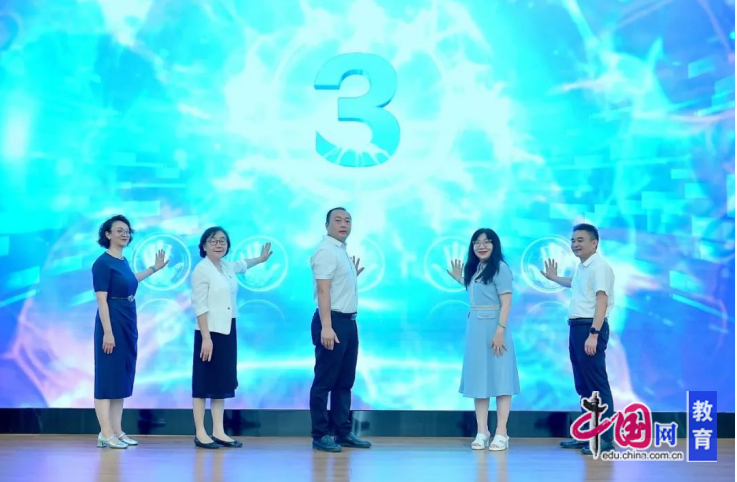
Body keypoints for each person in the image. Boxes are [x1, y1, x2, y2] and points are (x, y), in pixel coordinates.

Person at [190, 226, 272, 449]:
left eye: (222, 241)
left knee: (221, 383)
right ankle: (200, 432)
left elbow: (242, 264)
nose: (219, 244)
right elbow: (199, 306)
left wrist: (261, 259)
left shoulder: (226, 266)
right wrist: (206, 338)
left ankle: (218, 431)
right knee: (203, 383)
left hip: (227, 330)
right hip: (209, 332)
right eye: (213, 240)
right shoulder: (201, 270)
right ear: (204, 245)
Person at [93, 214, 168, 449]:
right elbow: (102, 301)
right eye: (119, 230)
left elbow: (130, 280)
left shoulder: (122, 261)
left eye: (127, 231)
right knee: (107, 379)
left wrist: (153, 269)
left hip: (127, 318)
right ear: (107, 234)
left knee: (121, 378)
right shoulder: (102, 263)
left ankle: (117, 430)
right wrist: (108, 332)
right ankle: (105, 433)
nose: (125, 234)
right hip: (112, 320)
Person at [541, 223, 616, 455]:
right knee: (583, 385)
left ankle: (605, 439)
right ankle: (588, 435)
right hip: (577, 328)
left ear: (594, 243)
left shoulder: (599, 267)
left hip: (589, 328)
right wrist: (554, 278)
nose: (575, 244)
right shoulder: (584, 267)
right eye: (573, 240)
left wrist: (594, 333)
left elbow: (602, 301)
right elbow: (575, 284)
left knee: (597, 385)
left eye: (580, 240)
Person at [448, 228, 520, 451]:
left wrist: (500, 331)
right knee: (478, 380)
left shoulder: (500, 268)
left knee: (501, 379)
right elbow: (478, 292)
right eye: (477, 242)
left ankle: (502, 432)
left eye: (487, 242)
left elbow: (506, 303)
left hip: (495, 327)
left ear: (494, 245)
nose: (482, 246)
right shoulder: (476, 268)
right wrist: (459, 278)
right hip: (476, 328)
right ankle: (482, 431)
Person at [309, 207, 371, 453]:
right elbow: (323, 290)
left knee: (344, 381)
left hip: (348, 322)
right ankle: (320, 434)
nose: (344, 224)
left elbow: (336, 286)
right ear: (327, 225)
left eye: (347, 220)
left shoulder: (340, 251)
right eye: (337, 220)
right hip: (332, 322)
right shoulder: (326, 251)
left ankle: (342, 432)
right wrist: (326, 326)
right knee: (324, 381)